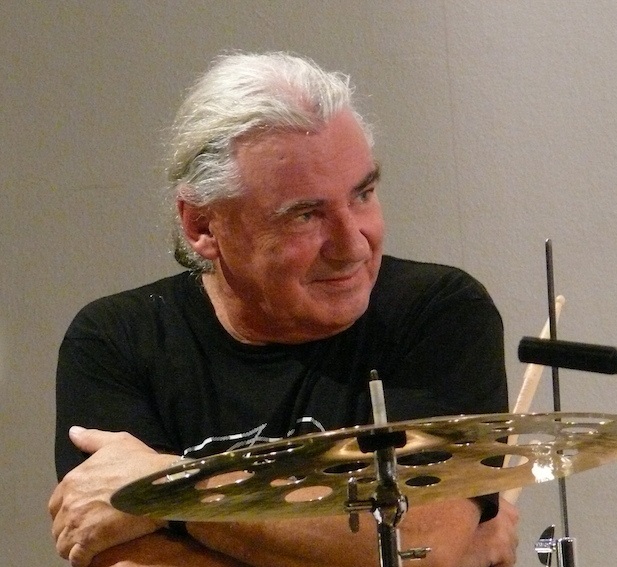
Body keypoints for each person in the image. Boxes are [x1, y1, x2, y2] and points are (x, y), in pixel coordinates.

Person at [48, 51, 518, 567]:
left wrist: (168, 489)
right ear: (202, 226)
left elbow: (417, 545)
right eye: (305, 215)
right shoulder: (116, 341)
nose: (353, 245)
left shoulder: (438, 313)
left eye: (362, 194)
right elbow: (128, 559)